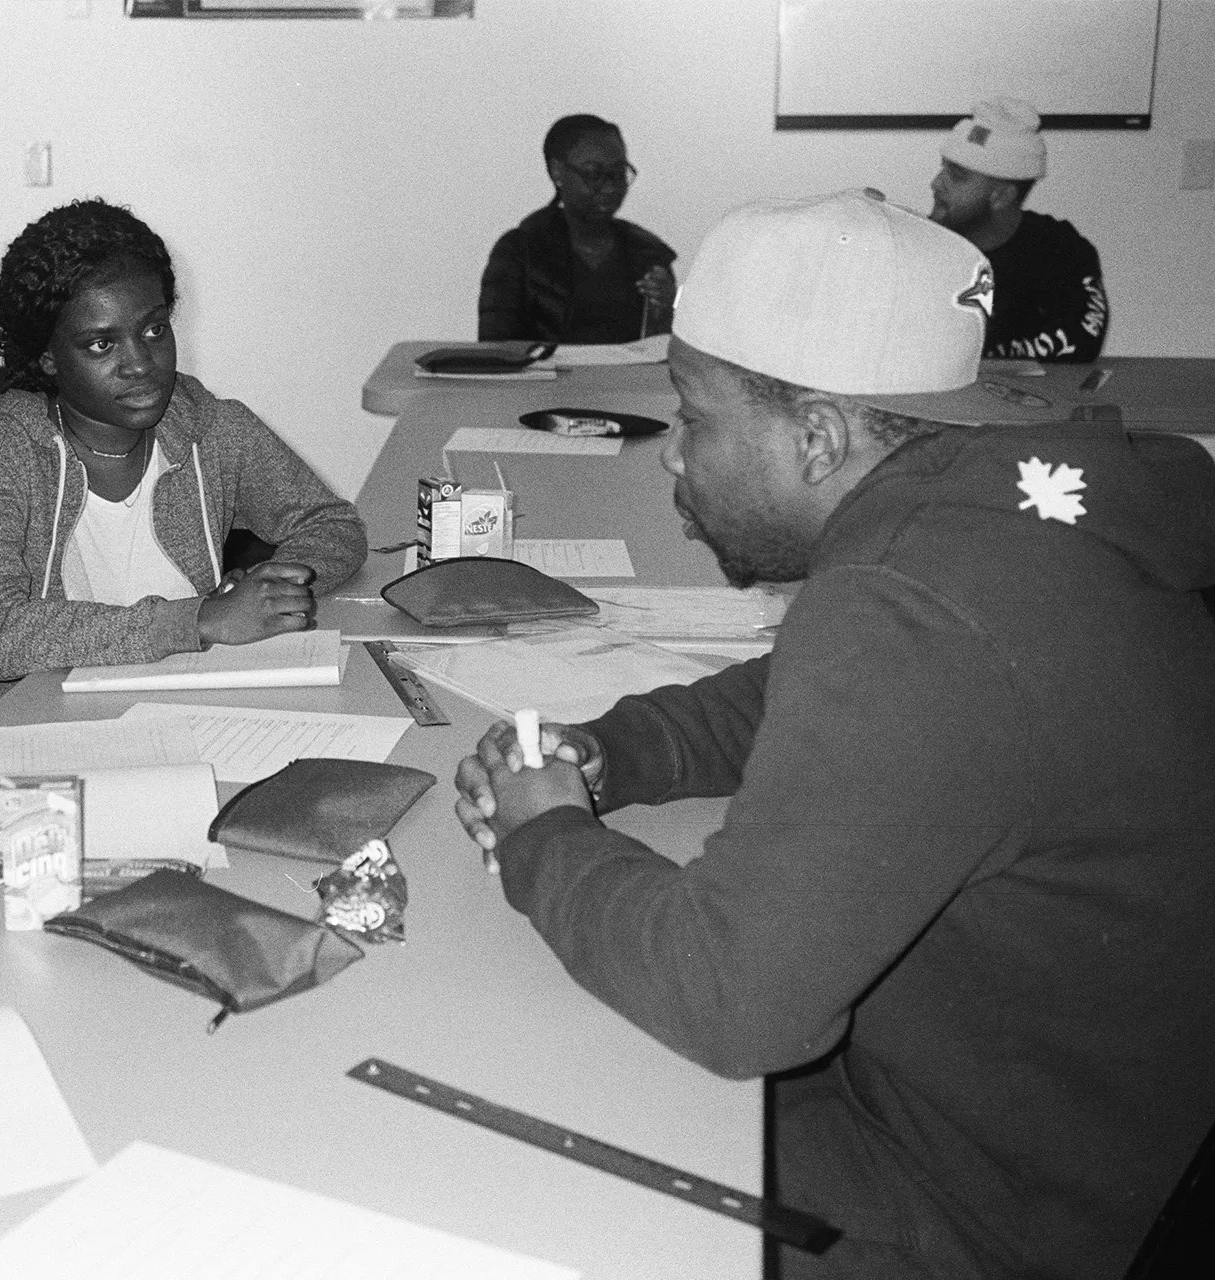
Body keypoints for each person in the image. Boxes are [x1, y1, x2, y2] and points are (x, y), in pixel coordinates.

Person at [454, 191, 1215, 1279]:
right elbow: (808, 686)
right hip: (1041, 1120)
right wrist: (625, 750)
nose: (673, 454)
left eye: (694, 416)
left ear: (816, 436)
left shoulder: (915, 604)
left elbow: (732, 999)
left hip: (988, 1213)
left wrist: (541, 836)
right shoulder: (992, 516)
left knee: (508, 1156)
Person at [0, 198, 368, 724]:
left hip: (176, 703)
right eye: (101, 344)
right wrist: (197, 620)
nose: (140, 364)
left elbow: (331, 523)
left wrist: (271, 592)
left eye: (154, 330)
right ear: (47, 358)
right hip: (19, 722)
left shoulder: (210, 428)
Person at [928, 97, 1108, 362]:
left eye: (957, 176)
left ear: (1001, 197)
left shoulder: (1062, 250)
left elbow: (1083, 342)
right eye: (943, 168)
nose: (936, 183)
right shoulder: (918, 245)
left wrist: (984, 359)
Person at [478, 114, 677, 345]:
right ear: (557, 172)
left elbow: (664, 351)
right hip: (543, 370)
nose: (610, 186)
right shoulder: (519, 251)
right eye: (593, 173)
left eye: (618, 173)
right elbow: (497, 349)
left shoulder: (648, 253)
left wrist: (665, 310)